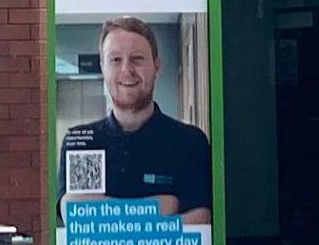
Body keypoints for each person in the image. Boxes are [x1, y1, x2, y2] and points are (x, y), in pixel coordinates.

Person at [61, 15, 211, 226]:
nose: (126, 70)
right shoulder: (84, 141)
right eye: (115, 60)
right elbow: (75, 213)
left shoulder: (190, 142)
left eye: (137, 59)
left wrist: (108, 215)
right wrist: (163, 205)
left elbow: (200, 219)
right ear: (103, 68)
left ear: (156, 66)